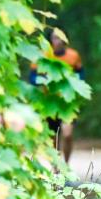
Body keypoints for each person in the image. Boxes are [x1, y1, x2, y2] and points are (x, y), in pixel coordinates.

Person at [30, 27, 84, 163]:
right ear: (50, 40)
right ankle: (56, 167)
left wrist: (72, 82)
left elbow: (80, 75)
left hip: (67, 101)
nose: (58, 41)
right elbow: (32, 77)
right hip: (50, 101)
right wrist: (44, 80)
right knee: (54, 136)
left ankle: (66, 164)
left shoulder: (73, 56)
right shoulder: (42, 56)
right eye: (55, 38)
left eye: (60, 37)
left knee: (67, 134)